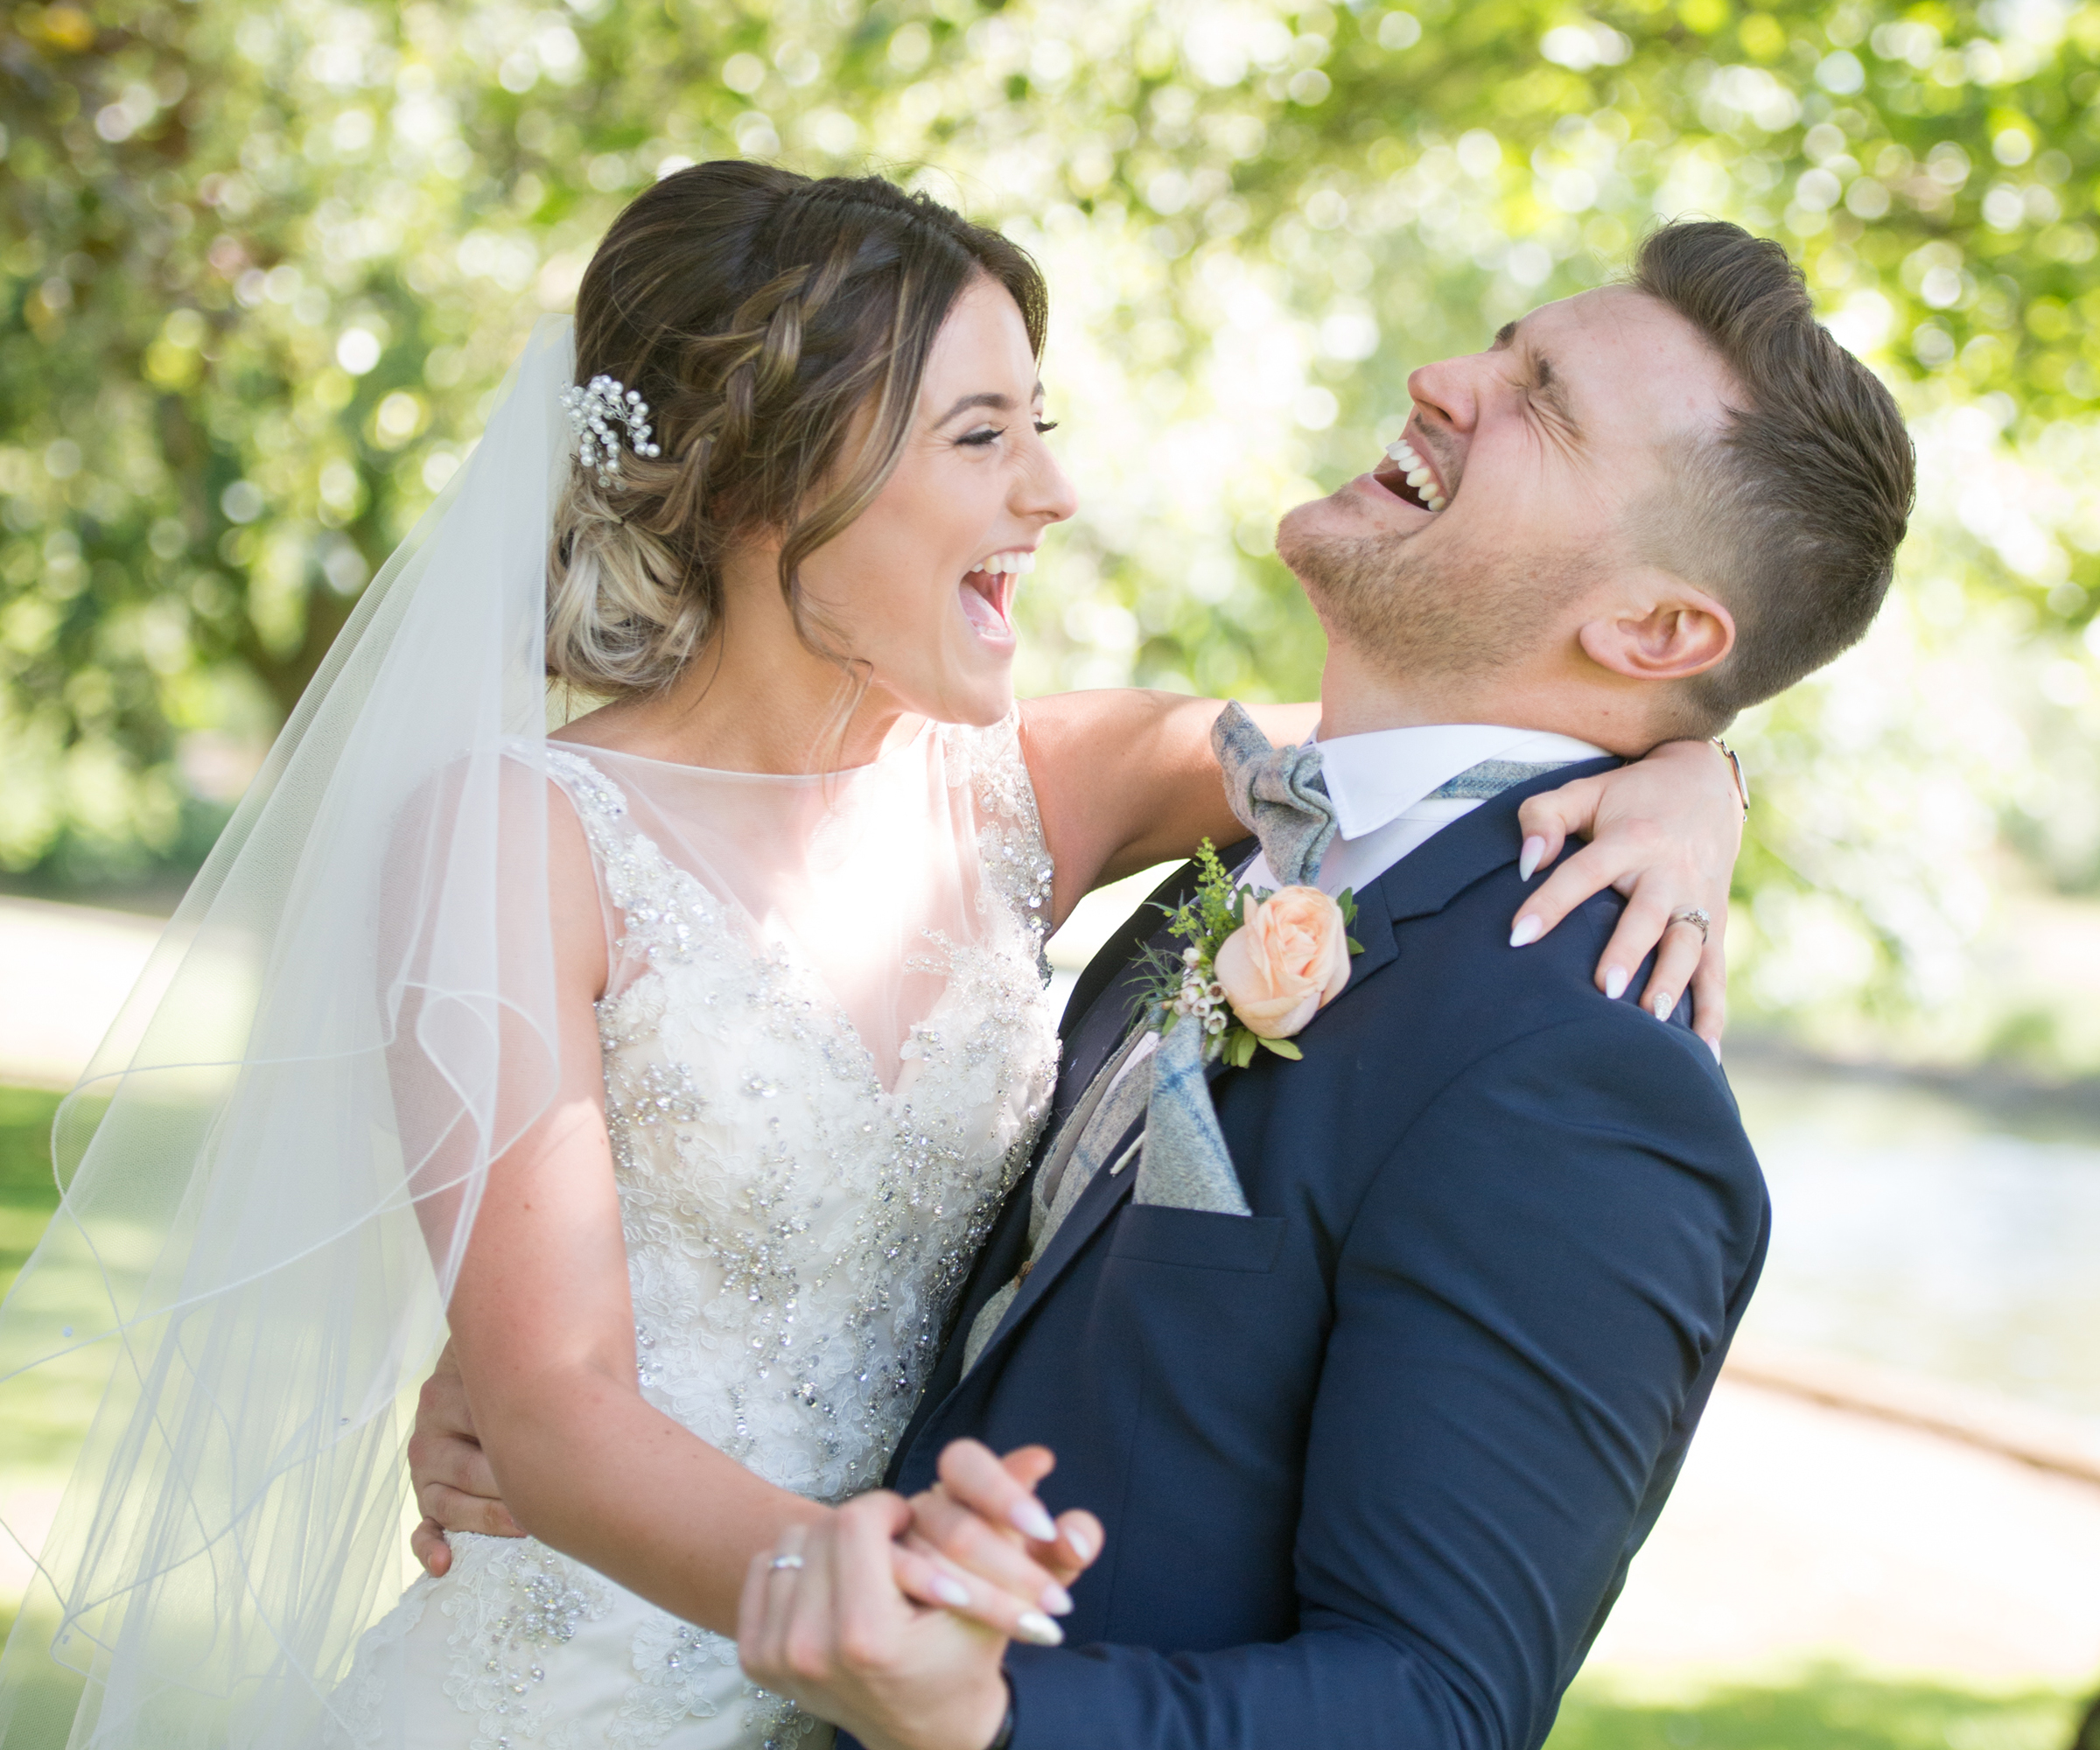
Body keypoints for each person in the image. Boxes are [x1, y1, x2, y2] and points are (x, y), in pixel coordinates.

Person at [0, 165, 1741, 1750]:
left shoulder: (1036, 789)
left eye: (1040, 427)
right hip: (571, 1688)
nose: (1053, 493)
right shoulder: (517, 836)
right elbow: (551, 1409)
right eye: (982, 437)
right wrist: (887, 1599)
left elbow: (1452, 737)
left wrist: (1703, 770)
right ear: (786, 471)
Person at [715, 219, 1911, 1748]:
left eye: (1539, 400)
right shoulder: (1261, 848)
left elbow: (1434, 1702)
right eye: (1497, 340)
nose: (1438, 377)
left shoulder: (1584, 1078)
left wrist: (987, 1712)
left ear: (1657, 630)